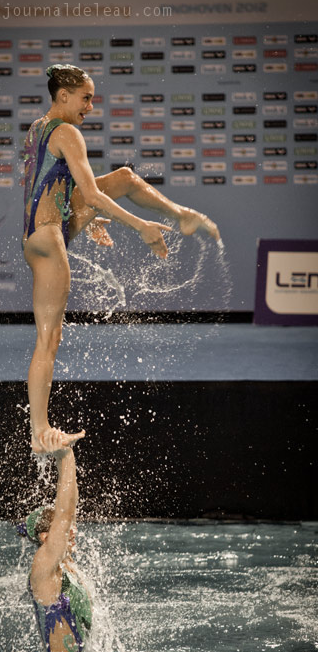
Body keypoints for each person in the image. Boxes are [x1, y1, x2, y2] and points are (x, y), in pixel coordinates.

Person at [22, 63, 220, 454]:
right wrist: (140, 226)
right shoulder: (68, 132)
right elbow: (92, 194)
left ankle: (182, 216)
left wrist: (84, 217)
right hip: (49, 239)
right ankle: (38, 430)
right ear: (63, 96)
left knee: (126, 177)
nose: (90, 106)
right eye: (86, 98)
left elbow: (48, 185)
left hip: (42, 229)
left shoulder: (37, 127)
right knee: (49, 339)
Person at [17, 439, 91, 652]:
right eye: (62, 528)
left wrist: (67, 459)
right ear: (46, 536)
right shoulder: (43, 565)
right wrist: (65, 457)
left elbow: (69, 508)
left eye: (70, 526)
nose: (71, 530)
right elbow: (64, 512)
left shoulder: (65, 570)